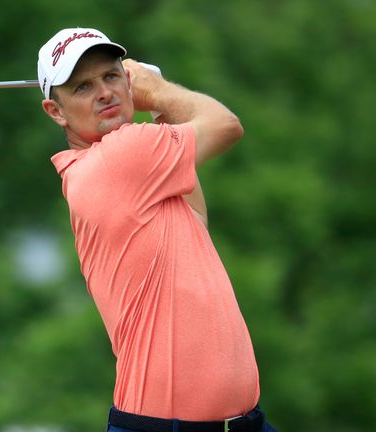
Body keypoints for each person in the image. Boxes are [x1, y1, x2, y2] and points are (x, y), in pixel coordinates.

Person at [38, 27, 276, 432]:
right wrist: (159, 90)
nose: (104, 93)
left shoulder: (134, 171)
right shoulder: (121, 156)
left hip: (243, 423)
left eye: (111, 77)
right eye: (82, 87)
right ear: (55, 111)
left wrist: (153, 106)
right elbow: (227, 125)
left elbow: (196, 217)